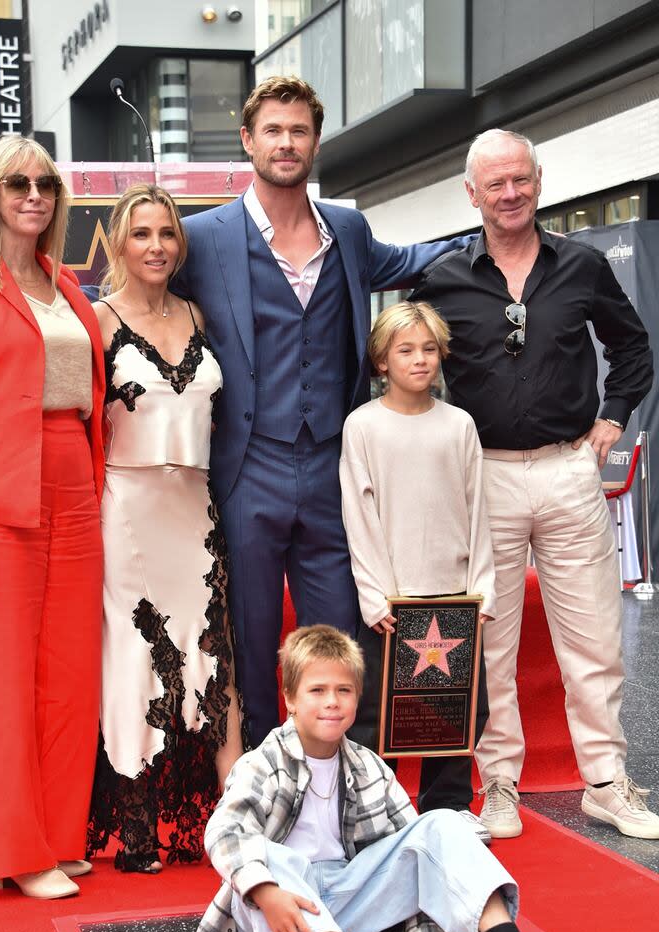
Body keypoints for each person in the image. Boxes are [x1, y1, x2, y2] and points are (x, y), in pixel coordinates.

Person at [171, 75, 472, 746]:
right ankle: (256, 783)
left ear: (315, 141)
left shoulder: (348, 229)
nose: (286, 142)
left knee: (340, 638)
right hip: (248, 466)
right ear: (248, 141)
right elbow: (141, 293)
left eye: (299, 130)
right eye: (272, 130)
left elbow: (411, 261)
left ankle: (339, 783)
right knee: (248, 640)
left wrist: (488, 242)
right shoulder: (205, 237)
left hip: (334, 468)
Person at [412, 128, 659, 840]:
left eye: (520, 179)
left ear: (538, 182)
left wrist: (613, 417)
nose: (510, 193)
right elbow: (407, 358)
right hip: (482, 474)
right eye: (496, 184)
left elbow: (632, 344)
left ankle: (607, 782)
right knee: (489, 642)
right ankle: (497, 787)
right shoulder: (443, 279)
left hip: (567, 469)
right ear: (472, 194)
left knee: (594, 636)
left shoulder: (580, 266)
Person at [185, 625, 592, 932]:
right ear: (289, 699)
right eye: (317, 690)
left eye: (343, 691)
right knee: (265, 855)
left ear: (357, 699)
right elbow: (224, 831)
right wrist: (266, 892)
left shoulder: (370, 768)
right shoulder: (262, 763)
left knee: (441, 822)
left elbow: (413, 851)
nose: (331, 702)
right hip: (276, 915)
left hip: (347, 900)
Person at [0, 136, 106, 899]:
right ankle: (14, 849)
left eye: (44, 184)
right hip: (2, 497)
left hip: (75, 481)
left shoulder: (65, 284)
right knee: (4, 681)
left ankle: (59, 836)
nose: (33, 195)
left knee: (70, 677)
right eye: (17, 184)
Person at [85, 184, 245, 874]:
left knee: (214, 650)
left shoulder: (199, 312)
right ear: (119, 242)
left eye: (167, 234)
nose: (157, 246)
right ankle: (138, 818)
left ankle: (230, 813)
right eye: (142, 233)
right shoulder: (95, 319)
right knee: (137, 650)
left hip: (196, 507)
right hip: (129, 506)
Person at [339, 301, 495, 842]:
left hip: (452, 594)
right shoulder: (363, 426)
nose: (420, 359)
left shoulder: (459, 425)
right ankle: (375, 807)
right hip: (392, 601)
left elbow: (478, 510)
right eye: (406, 350)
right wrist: (375, 594)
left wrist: (483, 590)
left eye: (429, 349)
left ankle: (447, 808)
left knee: (457, 710)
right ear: (382, 361)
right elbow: (359, 515)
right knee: (380, 711)